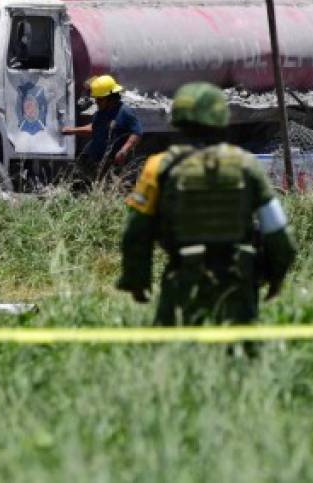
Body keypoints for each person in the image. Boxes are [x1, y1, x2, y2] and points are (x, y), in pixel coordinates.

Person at [117, 82, 296, 330]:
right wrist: (275, 276)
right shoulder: (247, 165)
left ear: (177, 120)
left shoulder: (158, 166)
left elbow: (137, 232)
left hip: (183, 279)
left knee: (175, 355)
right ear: (221, 118)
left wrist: (136, 281)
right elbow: (278, 232)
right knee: (240, 354)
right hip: (238, 282)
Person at [62, 74, 143, 178]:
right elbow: (94, 128)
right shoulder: (102, 111)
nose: (97, 102)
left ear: (111, 98)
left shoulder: (125, 112)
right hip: (96, 162)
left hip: (112, 164)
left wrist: (124, 150)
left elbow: (137, 132)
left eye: (100, 99)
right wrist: (72, 131)